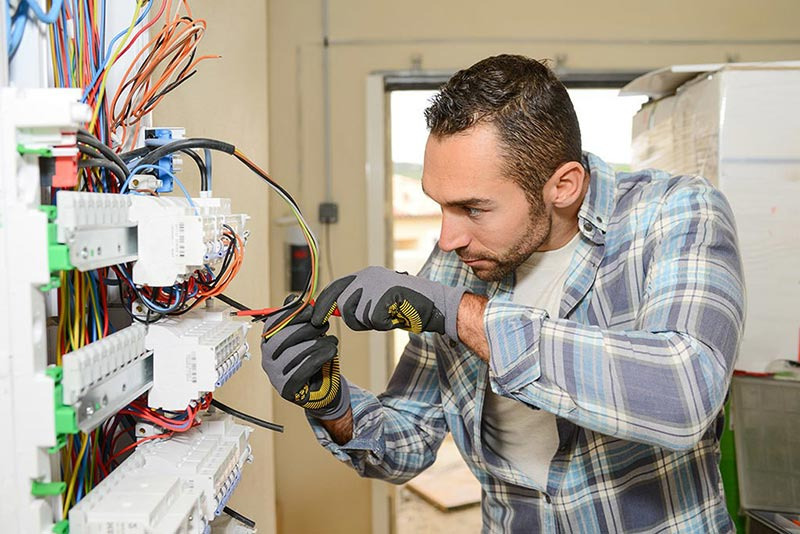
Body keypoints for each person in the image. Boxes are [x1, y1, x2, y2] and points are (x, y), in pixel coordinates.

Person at [260, 55, 745, 533]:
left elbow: (686, 393)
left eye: (473, 208)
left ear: (564, 185)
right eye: (441, 206)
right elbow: (410, 441)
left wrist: (460, 315)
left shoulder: (676, 213)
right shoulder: (456, 262)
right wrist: (332, 404)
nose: (447, 239)